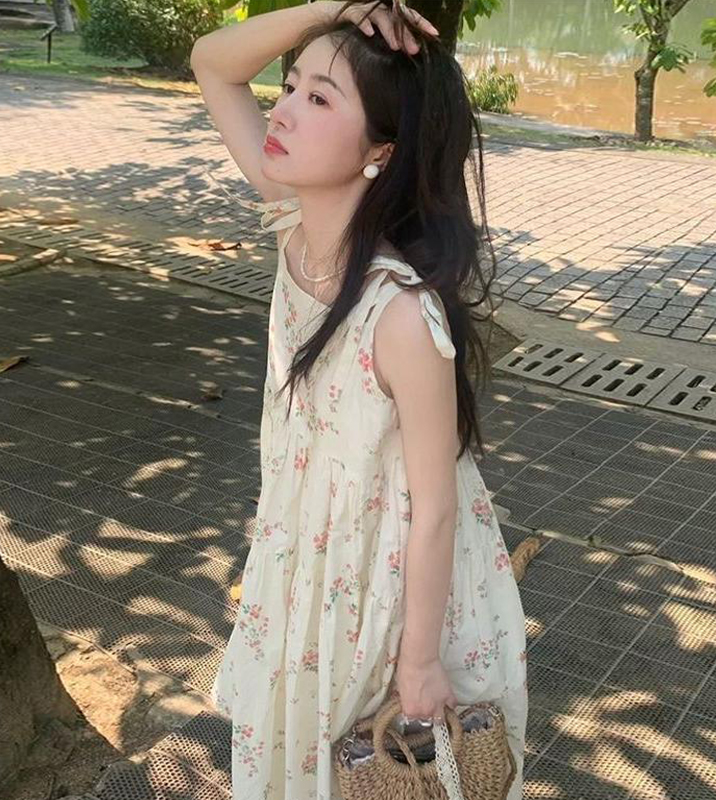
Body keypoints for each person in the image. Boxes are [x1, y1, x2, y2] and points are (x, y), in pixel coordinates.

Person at [190, 1, 528, 797]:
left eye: (319, 99)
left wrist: (419, 662)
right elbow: (213, 62)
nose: (283, 111)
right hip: (303, 568)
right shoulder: (296, 230)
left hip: (390, 591)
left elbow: (436, 507)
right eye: (291, 87)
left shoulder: (401, 312)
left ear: (381, 150)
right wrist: (331, 9)